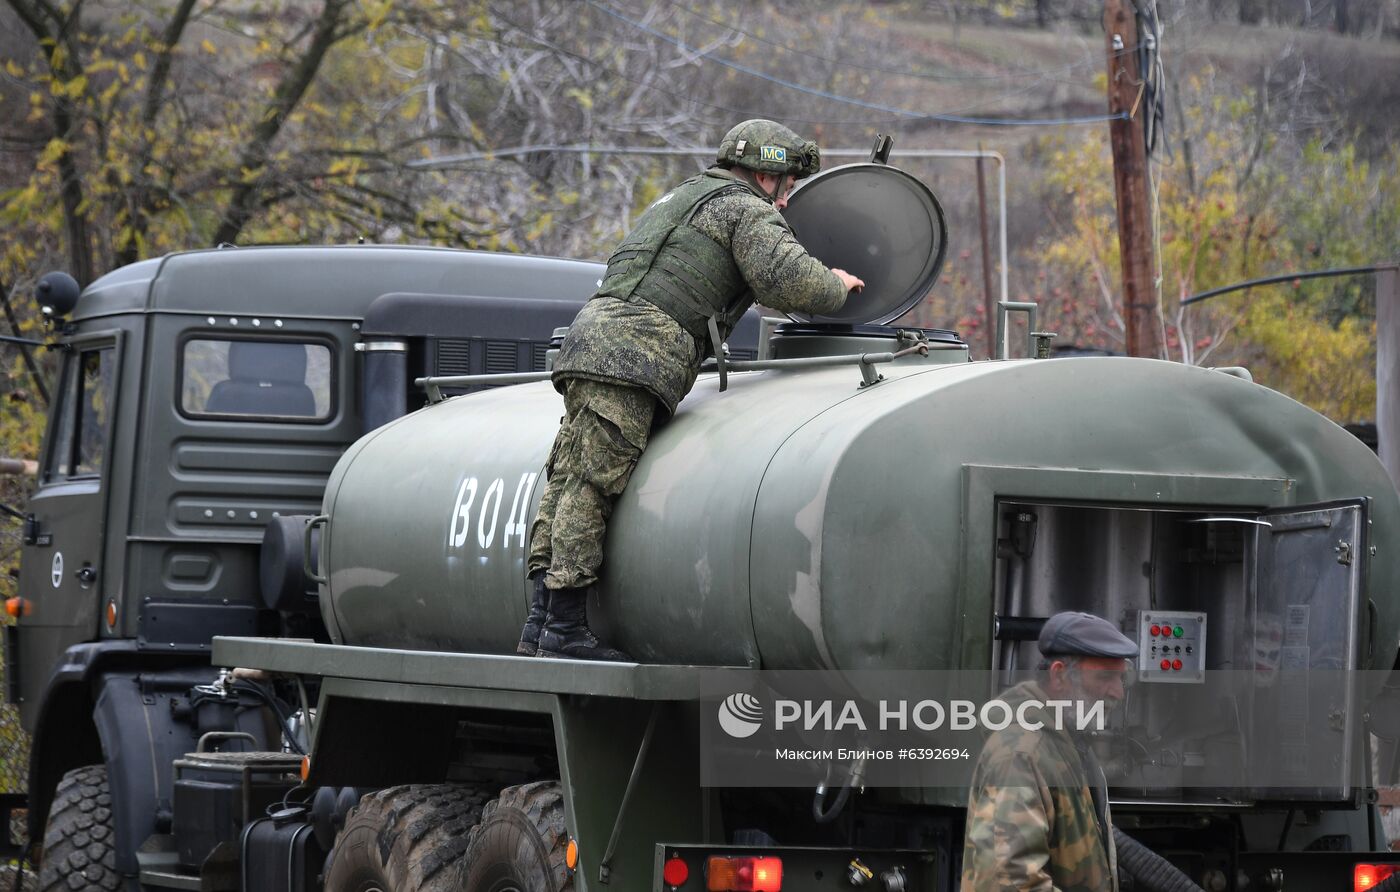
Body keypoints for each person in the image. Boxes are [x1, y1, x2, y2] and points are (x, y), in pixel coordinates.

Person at [518, 119, 866, 661]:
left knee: (566, 478)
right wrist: (837, 284)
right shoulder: (744, 208)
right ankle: (564, 629)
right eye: (788, 186)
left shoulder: (682, 196)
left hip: (592, 337)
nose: (789, 200)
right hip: (637, 350)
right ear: (765, 175)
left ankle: (539, 623)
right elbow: (793, 283)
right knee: (591, 483)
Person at [961, 611, 1136, 892]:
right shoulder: (1023, 754)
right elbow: (1010, 884)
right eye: (1105, 677)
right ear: (1059, 675)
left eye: (1121, 679)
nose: (1118, 692)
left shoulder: (1069, 746)